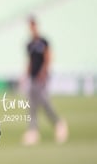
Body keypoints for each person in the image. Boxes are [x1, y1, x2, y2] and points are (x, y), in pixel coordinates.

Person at [21, 16, 68, 145]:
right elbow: (30, 61)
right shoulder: (29, 44)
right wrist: (25, 75)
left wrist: (44, 71)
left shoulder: (43, 41)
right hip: (33, 77)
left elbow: (48, 57)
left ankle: (58, 123)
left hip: (42, 77)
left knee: (44, 102)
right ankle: (33, 131)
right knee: (32, 105)